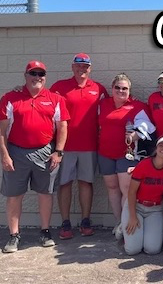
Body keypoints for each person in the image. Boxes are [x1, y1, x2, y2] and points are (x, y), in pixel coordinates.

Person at [1, 61, 70, 253]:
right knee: (14, 196)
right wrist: (5, 155)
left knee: (45, 194)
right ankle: (14, 235)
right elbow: (2, 130)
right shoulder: (10, 98)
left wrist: (58, 151)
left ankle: (45, 231)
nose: (37, 77)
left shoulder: (55, 99)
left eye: (41, 74)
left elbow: (62, 126)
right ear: (25, 75)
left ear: (45, 77)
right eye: (33, 73)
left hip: (45, 153)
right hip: (16, 153)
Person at [51, 53, 108, 240]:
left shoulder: (98, 88)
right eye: (78, 66)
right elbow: (42, 101)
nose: (81, 69)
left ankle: (85, 221)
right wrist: (20, 90)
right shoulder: (59, 87)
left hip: (89, 145)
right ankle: (65, 222)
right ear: (72, 67)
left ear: (89, 68)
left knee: (86, 182)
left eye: (85, 66)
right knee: (64, 183)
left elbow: (110, 108)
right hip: (64, 146)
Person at [98, 73, 156, 240]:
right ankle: (119, 222)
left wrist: (136, 136)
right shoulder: (103, 104)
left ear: (129, 90)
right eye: (118, 87)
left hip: (127, 155)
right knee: (112, 188)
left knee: (126, 190)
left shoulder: (138, 106)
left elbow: (149, 129)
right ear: (112, 88)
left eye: (125, 88)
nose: (121, 91)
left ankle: (125, 224)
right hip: (105, 153)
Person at [122, 136, 163, 255]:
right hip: (137, 207)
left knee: (152, 250)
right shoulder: (144, 164)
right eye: (161, 145)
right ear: (156, 148)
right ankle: (123, 230)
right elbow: (131, 192)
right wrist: (132, 216)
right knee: (132, 250)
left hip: (155, 209)